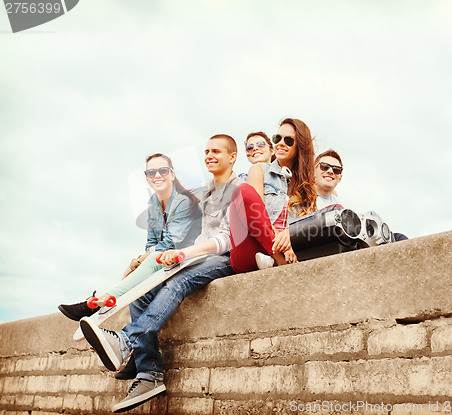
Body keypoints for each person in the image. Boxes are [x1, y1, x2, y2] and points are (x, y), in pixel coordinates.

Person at [79, 134, 242, 413]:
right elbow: (195, 233)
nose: (209, 156)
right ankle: (149, 374)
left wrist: (185, 253)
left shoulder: (238, 188)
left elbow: (229, 239)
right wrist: (172, 256)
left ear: (232, 156)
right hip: (199, 255)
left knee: (176, 282)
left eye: (216, 151)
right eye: (206, 151)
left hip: (224, 259)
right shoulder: (207, 191)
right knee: (144, 291)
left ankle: (127, 340)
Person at [58, 154, 202, 321]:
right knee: (147, 270)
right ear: (146, 177)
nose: (157, 176)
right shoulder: (153, 206)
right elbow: (151, 244)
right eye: (151, 172)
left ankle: (103, 300)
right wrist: (139, 262)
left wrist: (136, 262)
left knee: (154, 258)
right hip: (164, 263)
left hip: (188, 258)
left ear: (172, 174)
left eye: (162, 171)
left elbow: (172, 242)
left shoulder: (183, 201)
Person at [229, 118, 317, 272]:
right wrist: (280, 250)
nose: (281, 143)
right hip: (254, 248)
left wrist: (290, 234)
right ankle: (278, 260)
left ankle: (275, 260)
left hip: (291, 251)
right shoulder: (259, 169)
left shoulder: (308, 187)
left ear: (300, 147)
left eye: (289, 140)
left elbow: (309, 223)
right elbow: (257, 217)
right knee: (243, 191)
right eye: (278, 138)